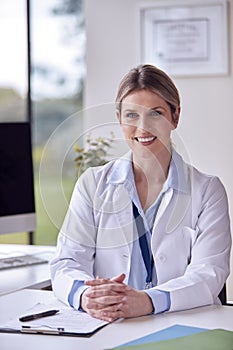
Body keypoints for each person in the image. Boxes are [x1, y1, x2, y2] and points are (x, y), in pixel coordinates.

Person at [50, 64, 231, 322]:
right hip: (109, 324)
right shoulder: (92, 184)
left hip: (182, 323)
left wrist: (147, 301)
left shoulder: (207, 190)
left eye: (155, 113)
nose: (143, 128)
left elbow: (209, 273)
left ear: (175, 116)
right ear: (119, 119)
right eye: (132, 115)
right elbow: (66, 262)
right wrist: (85, 296)